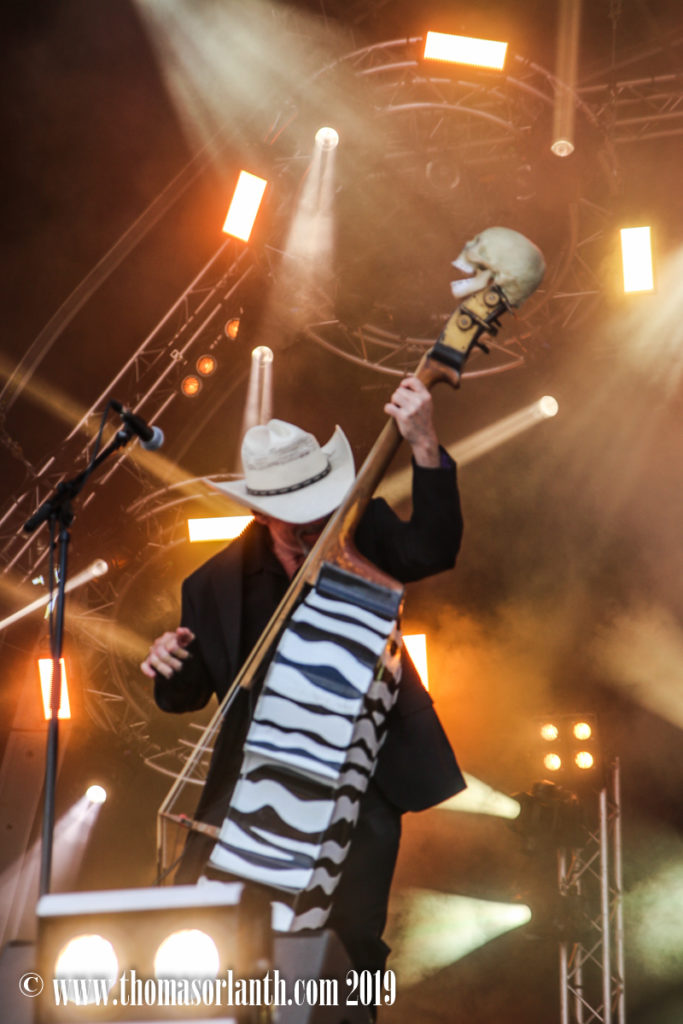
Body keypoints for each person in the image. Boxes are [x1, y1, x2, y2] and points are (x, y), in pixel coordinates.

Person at [141, 375, 466, 977]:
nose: (316, 523)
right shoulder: (211, 585)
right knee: (217, 939)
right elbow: (184, 695)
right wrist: (169, 660)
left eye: (321, 506)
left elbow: (432, 549)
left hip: (358, 780)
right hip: (257, 788)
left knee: (349, 948)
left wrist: (423, 442)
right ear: (260, 512)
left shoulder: (362, 527)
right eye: (296, 518)